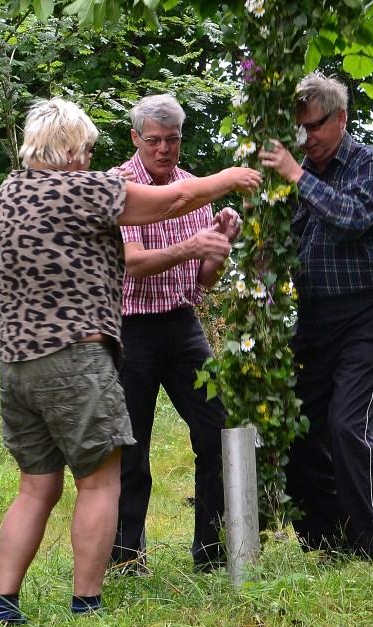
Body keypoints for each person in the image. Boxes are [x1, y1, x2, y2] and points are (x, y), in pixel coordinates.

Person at [0, 97, 260, 625]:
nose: (90, 156)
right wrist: (229, 175)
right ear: (68, 147)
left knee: (36, 486)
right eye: (86, 147)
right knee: (100, 480)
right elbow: (170, 201)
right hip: (77, 354)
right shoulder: (85, 188)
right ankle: (87, 601)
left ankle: (5, 604)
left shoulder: (10, 191)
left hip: (17, 361)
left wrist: (209, 245)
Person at [258, 73, 373, 561]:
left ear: (341, 118)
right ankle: (327, 538)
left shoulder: (372, 164)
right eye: (298, 131)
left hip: (370, 310)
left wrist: (297, 177)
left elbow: (351, 220)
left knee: (349, 427)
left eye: (314, 127)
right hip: (317, 316)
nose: (306, 139)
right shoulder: (300, 173)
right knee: (297, 424)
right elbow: (287, 244)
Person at [109, 94, 241, 574]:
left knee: (218, 429)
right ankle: (125, 557)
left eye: (173, 140)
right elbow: (135, 264)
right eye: (154, 141)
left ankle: (211, 552)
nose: (164, 149)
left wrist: (220, 246)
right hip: (131, 329)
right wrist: (192, 246)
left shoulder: (192, 188)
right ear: (135, 139)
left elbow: (202, 282)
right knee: (130, 446)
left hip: (182, 325)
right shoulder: (119, 186)